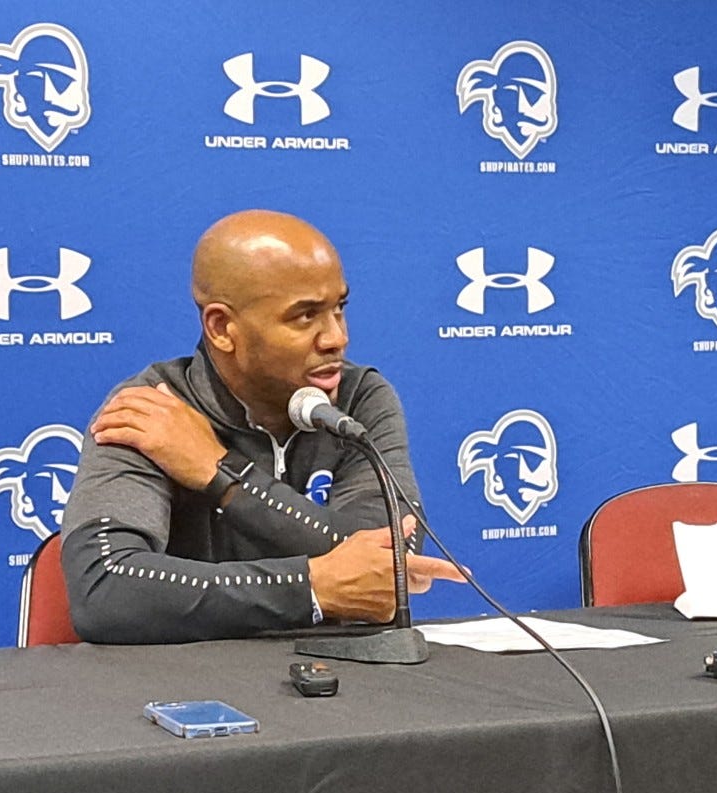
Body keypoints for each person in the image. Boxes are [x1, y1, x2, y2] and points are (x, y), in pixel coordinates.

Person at [60, 210, 464, 643]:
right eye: (305, 317)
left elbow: (392, 563)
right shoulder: (154, 408)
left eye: (339, 308)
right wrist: (312, 588)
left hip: (344, 691)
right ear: (222, 328)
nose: (336, 338)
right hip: (190, 690)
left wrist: (222, 474)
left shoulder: (358, 399)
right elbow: (105, 587)